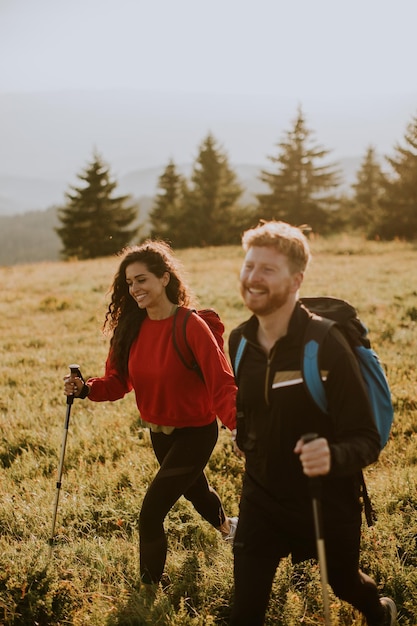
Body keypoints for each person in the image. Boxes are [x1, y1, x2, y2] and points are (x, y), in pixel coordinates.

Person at [228, 221, 397, 626]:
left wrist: (333, 454)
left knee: (343, 584)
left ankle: (380, 611)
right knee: (244, 612)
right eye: (249, 266)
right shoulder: (239, 341)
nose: (253, 278)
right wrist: (245, 433)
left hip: (325, 498)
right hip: (261, 496)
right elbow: (252, 407)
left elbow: (367, 438)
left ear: (296, 279)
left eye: (268, 270)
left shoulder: (324, 344)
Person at [64, 239, 238, 587]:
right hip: (158, 433)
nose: (134, 289)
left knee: (150, 514)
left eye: (141, 279)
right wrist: (86, 389)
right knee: (196, 492)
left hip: (196, 433)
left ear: (164, 278)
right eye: (129, 283)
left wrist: (240, 428)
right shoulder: (129, 331)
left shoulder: (191, 326)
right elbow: (116, 383)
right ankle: (230, 528)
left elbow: (221, 384)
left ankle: (147, 593)